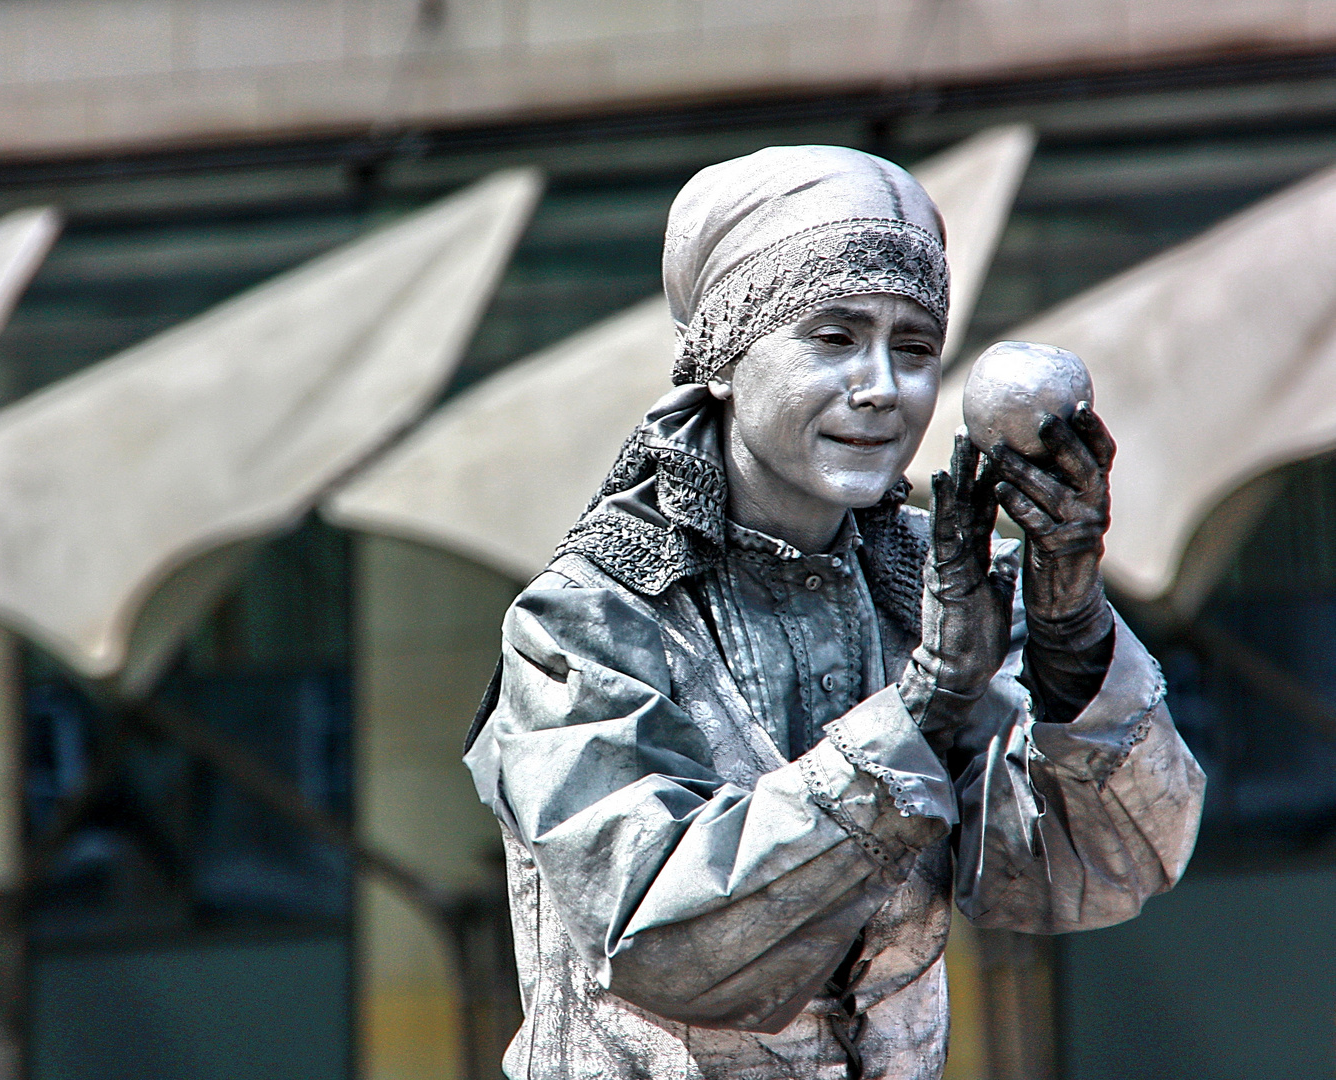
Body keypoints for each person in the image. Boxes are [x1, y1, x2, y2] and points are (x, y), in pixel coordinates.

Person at [461, 146, 1205, 1080]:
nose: (882, 389)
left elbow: (1097, 869)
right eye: (833, 337)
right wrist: (922, 709)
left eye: (915, 349)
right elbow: (670, 940)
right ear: (726, 357)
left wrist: (1069, 628)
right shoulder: (586, 621)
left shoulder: (941, 587)